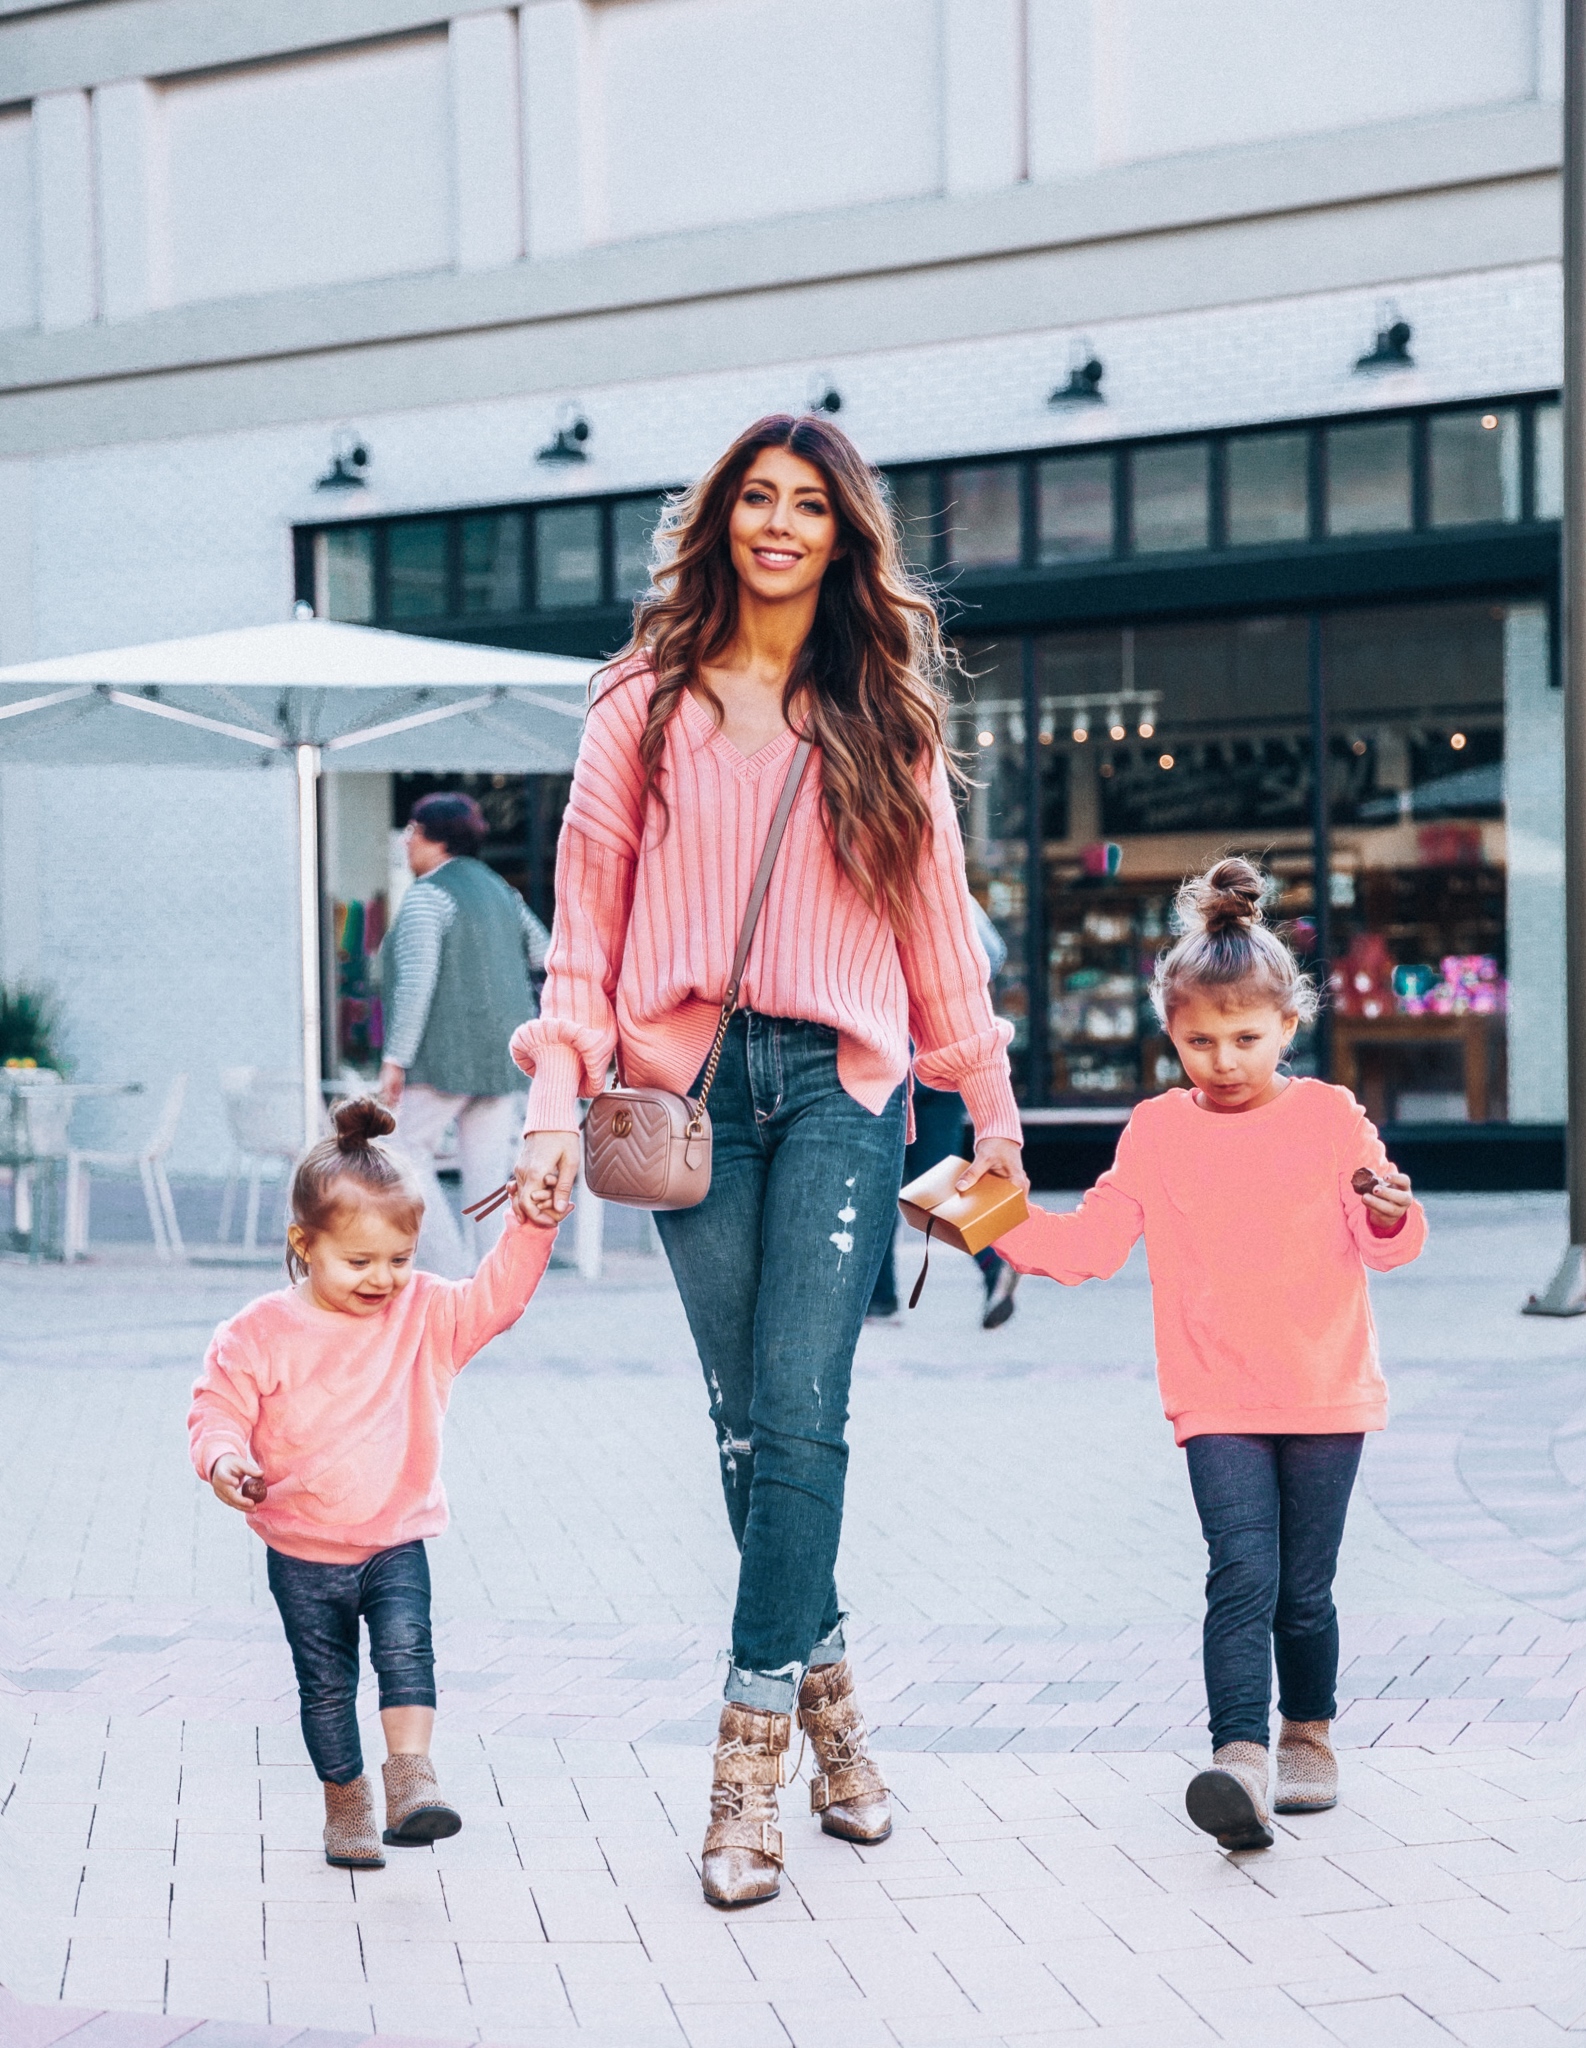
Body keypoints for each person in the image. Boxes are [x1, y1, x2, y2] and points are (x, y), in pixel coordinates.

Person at [509, 414, 1028, 1908]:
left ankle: (744, 1779)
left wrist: (987, 1112)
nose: (780, 523)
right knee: (745, 1424)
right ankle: (841, 1719)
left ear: (841, 533)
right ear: (720, 520)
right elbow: (584, 932)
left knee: (801, 1415)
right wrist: (555, 1100)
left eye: (809, 504)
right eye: (756, 498)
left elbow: (937, 934)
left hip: (843, 1091)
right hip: (684, 1097)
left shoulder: (883, 715)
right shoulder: (639, 702)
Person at [994, 857, 1425, 1853]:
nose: (1221, 1057)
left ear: (1286, 1024)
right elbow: (1087, 1247)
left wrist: (1391, 1211)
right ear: (1169, 1030)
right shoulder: (1153, 1129)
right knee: (1238, 1570)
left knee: (1300, 1587)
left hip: (1322, 1386)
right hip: (1214, 1392)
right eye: (1197, 1038)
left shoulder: (1326, 1115)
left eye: (1242, 1036)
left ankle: (1305, 1730)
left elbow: (1385, 1243)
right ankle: (1236, 1758)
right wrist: (984, 1221)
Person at [188, 1098, 556, 1871]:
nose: (382, 1279)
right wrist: (225, 1462)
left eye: (399, 1258)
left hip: (395, 1538)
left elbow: (499, 1299)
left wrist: (532, 1224)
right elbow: (216, 1409)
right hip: (301, 1551)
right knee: (325, 1690)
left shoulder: (425, 1313)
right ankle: (345, 1802)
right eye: (358, 1261)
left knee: (407, 1654)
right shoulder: (256, 1332)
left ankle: (413, 1783)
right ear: (304, 1243)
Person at [378, 791, 550, 1276]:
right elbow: (547, 955)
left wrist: (395, 1059)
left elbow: (415, 985)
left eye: (412, 831)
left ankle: (450, 1273)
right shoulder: (501, 891)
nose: (407, 842)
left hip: (444, 1058)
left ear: (435, 839)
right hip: (505, 1057)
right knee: (488, 1176)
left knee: (403, 1155)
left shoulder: (428, 897)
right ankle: (492, 1287)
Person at [868, 899, 1020, 1328]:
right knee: (940, 1178)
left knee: (873, 1180)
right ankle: (1000, 1257)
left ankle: (879, 1301)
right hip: (942, 1051)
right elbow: (992, 952)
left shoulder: (868, 882)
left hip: (887, 1051)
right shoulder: (949, 887)